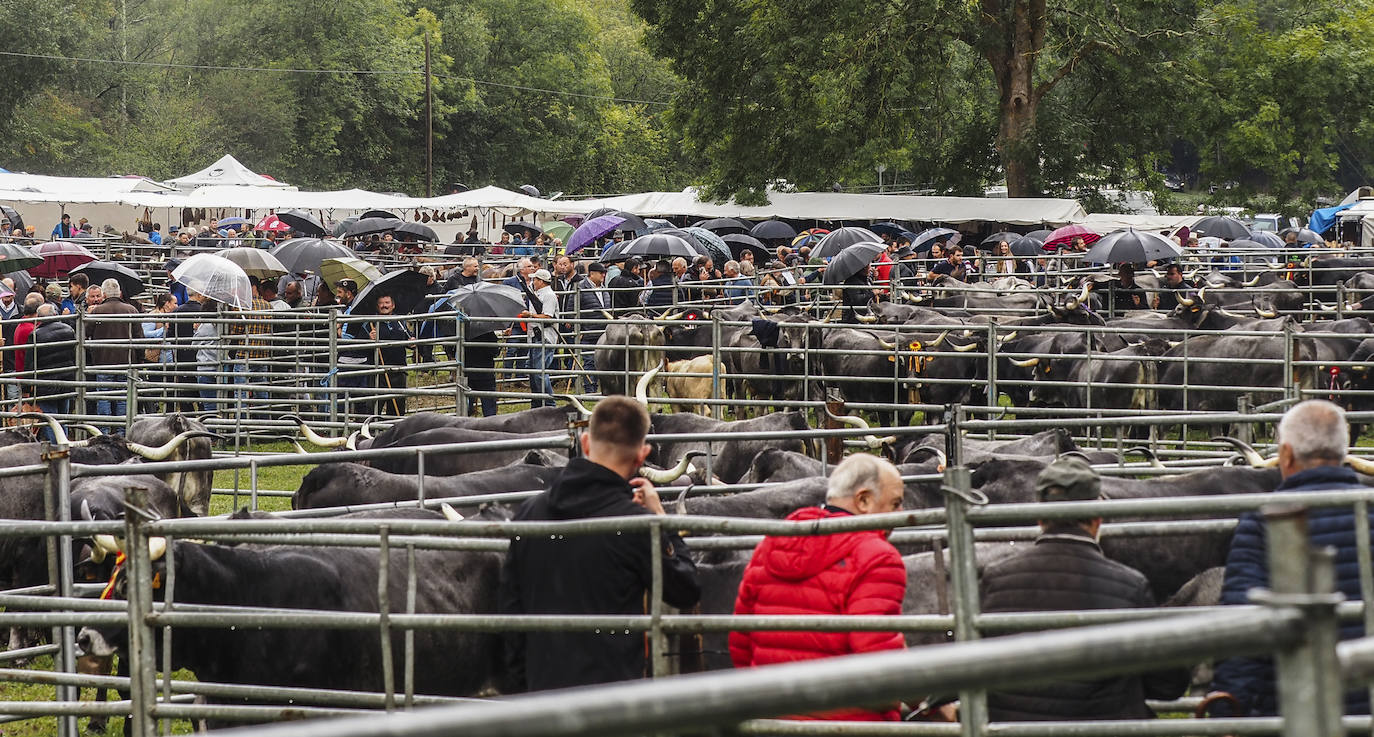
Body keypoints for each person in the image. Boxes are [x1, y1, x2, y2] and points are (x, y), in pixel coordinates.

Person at [500, 396, 700, 692]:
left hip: (542, 697)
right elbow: (685, 588)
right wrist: (661, 519)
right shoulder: (637, 524)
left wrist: (524, 691)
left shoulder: (529, 514)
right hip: (611, 703)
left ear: (585, 443)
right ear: (642, 455)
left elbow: (510, 618)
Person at [980, 456, 1189, 721]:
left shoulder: (996, 580)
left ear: (1040, 516)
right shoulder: (1129, 586)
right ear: (1098, 518)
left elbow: (976, 668)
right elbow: (1169, 685)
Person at [1211, 399, 1372, 717]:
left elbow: (1244, 626)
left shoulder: (1263, 522)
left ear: (1285, 454)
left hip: (1293, 706)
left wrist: (1227, 710)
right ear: (1344, 454)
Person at [730, 454, 908, 721]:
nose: (901, 514)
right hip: (850, 724)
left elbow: (740, 642)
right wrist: (927, 698)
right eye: (895, 504)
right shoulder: (877, 556)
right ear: (864, 501)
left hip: (772, 719)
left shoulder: (770, 544)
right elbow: (878, 664)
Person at [85, 279, 144, 423]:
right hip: (126, 361)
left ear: (103, 294)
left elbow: (85, 333)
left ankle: (104, 430)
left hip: (103, 361)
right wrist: (140, 359)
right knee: (123, 397)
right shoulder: (131, 310)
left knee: (104, 396)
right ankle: (122, 428)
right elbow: (139, 337)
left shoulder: (97, 311)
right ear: (120, 293)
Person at [334, 279, 373, 418]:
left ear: (349, 294)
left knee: (341, 399)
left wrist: (337, 327)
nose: (337, 295)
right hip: (361, 360)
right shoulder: (360, 308)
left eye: (340, 292)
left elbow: (345, 338)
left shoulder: (351, 311)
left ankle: (338, 428)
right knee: (360, 399)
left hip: (349, 360)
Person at [522, 269, 559, 406]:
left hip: (544, 337)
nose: (533, 282)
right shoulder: (537, 294)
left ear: (541, 281)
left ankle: (549, 404)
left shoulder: (548, 295)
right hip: (535, 336)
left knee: (539, 372)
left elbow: (547, 316)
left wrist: (530, 316)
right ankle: (538, 403)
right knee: (534, 373)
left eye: (535, 280)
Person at [371, 294, 411, 416]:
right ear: (377, 307)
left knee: (397, 407)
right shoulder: (371, 322)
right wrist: (369, 339)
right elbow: (361, 343)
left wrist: (411, 343)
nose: (384, 306)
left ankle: (394, 432)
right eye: (381, 303)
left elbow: (407, 337)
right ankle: (372, 432)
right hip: (378, 371)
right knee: (375, 406)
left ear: (393, 305)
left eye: (387, 303)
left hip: (399, 369)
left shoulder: (400, 321)